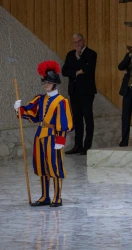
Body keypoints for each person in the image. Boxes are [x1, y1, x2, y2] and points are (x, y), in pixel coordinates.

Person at [14, 60, 73, 207]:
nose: (45, 84)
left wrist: (61, 140)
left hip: (53, 137)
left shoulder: (61, 101)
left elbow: (64, 123)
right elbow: (31, 112)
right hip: (40, 135)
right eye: (44, 82)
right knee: (42, 166)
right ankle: (45, 196)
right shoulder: (40, 99)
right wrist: (19, 109)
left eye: (48, 82)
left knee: (54, 166)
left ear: (54, 83)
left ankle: (57, 197)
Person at [62, 33, 97, 155]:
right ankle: (78, 145)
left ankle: (87, 146)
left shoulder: (91, 54)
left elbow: (89, 70)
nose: (77, 44)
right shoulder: (70, 54)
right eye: (75, 42)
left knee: (88, 118)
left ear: (84, 41)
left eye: (79, 42)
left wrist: (79, 58)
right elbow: (64, 71)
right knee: (77, 119)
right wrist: (77, 72)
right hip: (74, 91)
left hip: (87, 92)